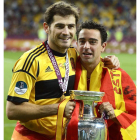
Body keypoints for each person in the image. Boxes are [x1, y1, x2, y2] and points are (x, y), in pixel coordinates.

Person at [6, 2, 120, 140]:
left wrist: (112, 60)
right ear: (46, 28)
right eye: (60, 26)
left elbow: (94, 63)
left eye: (71, 26)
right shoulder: (31, 60)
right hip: (31, 136)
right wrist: (58, 108)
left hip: (64, 135)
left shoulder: (73, 54)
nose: (66, 32)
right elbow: (12, 110)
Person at [66, 21, 136, 140]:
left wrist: (115, 114)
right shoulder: (65, 71)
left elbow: (135, 114)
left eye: (92, 42)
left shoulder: (119, 76)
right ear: (76, 44)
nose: (86, 46)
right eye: (82, 41)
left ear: (103, 46)